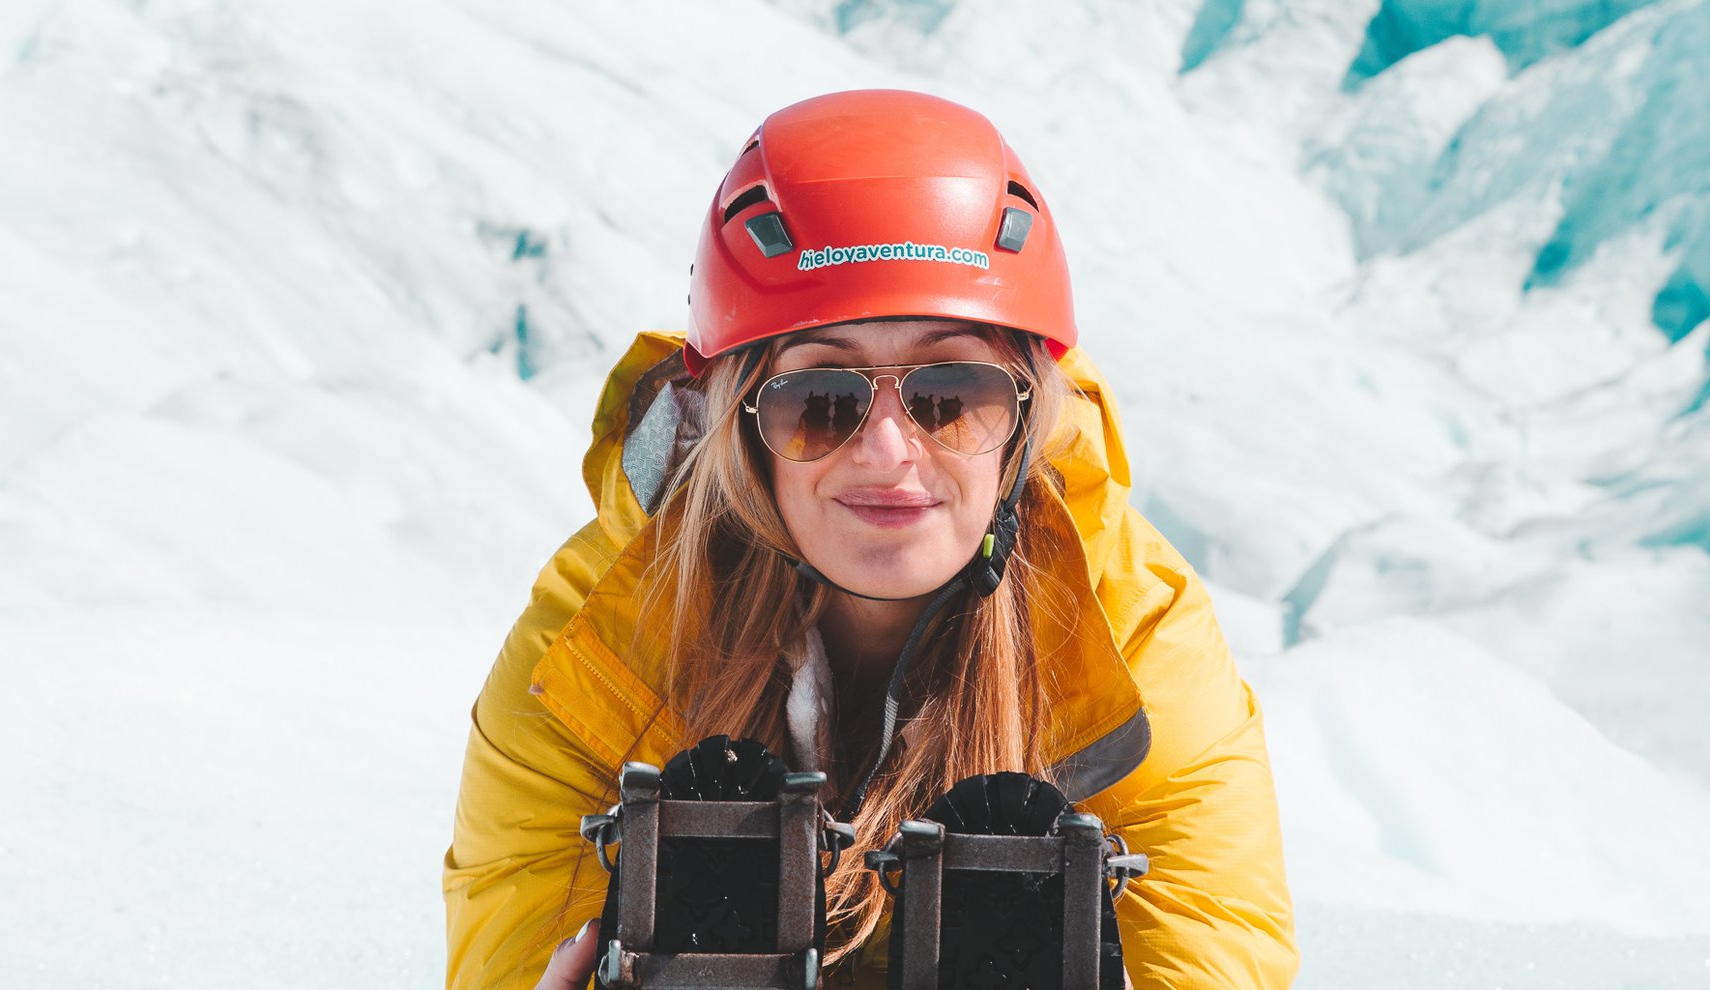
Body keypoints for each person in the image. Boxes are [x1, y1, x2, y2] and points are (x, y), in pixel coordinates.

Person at [443, 89, 1298, 989]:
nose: (890, 453)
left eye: (949, 396)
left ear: (1023, 419)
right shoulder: (601, 651)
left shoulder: (1134, 649)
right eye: (824, 401)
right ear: (740, 424)